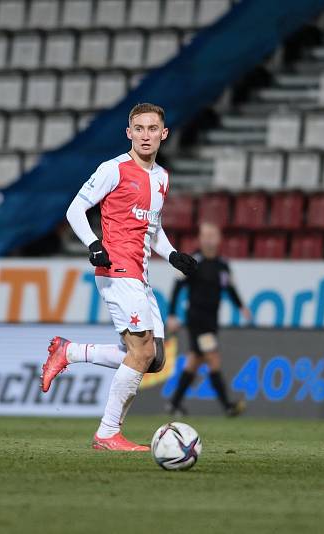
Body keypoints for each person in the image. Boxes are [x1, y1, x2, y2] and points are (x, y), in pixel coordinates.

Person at [40, 103, 198, 451]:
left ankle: (70, 351)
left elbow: (152, 229)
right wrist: (94, 244)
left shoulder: (161, 178)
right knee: (140, 353)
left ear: (163, 134)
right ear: (129, 133)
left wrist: (171, 254)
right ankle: (108, 432)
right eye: (138, 128)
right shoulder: (113, 169)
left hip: (139, 274)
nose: (145, 135)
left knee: (154, 358)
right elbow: (75, 209)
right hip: (115, 269)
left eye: (152, 128)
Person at [165, 222, 251, 417]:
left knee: (194, 361)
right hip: (197, 320)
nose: (209, 239)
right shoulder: (193, 261)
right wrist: (171, 314)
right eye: (206, 235)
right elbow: (177, 287)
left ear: (219, 239)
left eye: (213, 235)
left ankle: (173, 404)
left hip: (211, 320)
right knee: (213, 358)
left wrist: (241, 306)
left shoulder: (222, 265)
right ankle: (227, 406)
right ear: (200, 238)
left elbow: (229, 287)